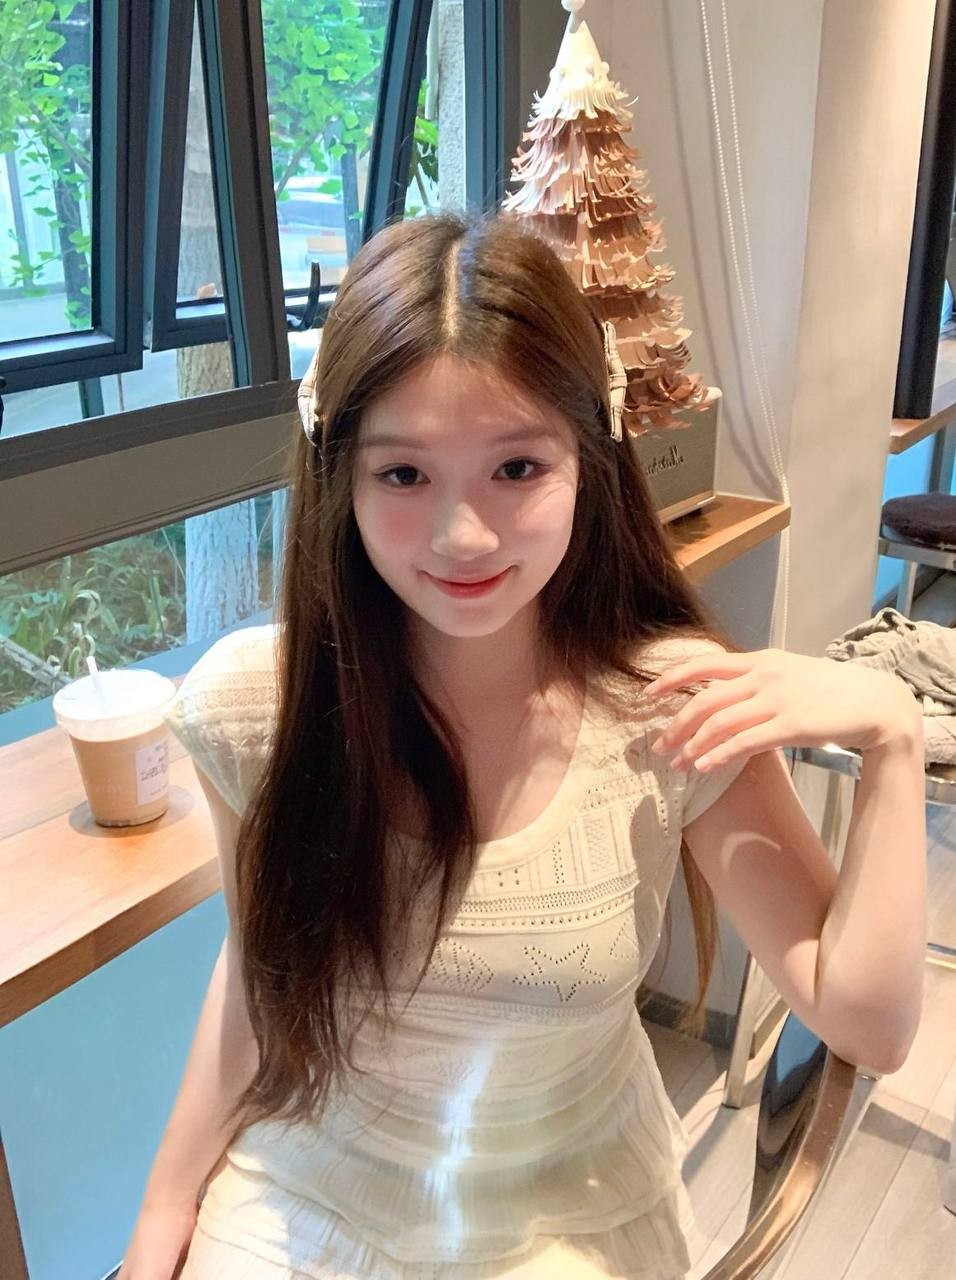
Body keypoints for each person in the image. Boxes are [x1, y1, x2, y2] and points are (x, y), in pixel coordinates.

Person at [118, 212, 927, 1280]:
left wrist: (892, 736)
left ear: (589, 458)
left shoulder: (667, 708)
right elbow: (259, 981)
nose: (463, 535)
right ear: (340, 477)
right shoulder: (253, 708)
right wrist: (163, 1207)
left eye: (516, 466)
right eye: (403, 475)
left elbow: (867, 1026)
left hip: (564, 1219)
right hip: (307, 1197)